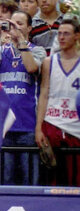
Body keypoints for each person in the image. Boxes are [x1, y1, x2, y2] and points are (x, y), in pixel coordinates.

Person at [0, 10, 44, 185]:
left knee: (29, 181)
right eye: (12, 24)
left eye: (20, 24)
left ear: (29, 28)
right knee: (5, 181)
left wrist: (21, 41)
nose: (15, 27)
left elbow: (32, 68)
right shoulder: (2, 50)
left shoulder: (37, 50)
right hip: (3, 127)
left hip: (28, 126)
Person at [36, 17, 80, 186]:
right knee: (53, 181)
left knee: (75, 180)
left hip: (76, 126)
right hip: (52, 124)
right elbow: (44, 94)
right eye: (59, 34)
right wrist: (39, 127)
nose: (61, 37)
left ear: (77, 36)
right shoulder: (49, 62)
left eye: (66, 34)